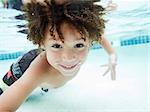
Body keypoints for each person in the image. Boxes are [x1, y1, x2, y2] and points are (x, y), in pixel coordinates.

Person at [0, 0, 117, 111]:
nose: (68, 57)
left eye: (79, 45)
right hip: (22, 68)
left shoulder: (88, 34)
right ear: (41, 43)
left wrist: (112, 56)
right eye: (56, 46)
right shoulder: (39, 70)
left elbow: (101, 37)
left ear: (91, 41)